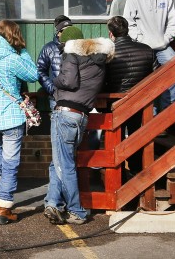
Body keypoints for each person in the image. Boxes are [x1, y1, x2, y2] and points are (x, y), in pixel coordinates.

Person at [43, 25, 110, 226]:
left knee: (66, 166)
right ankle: (53, 203)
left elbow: (69, 81)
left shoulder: (71, 55)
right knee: (59, 163)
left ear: (69, 43)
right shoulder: (99, 62)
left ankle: (77, 211)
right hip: (82, 116)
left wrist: (54, 80)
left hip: (65, 114)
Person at [0, 20, 38, 225]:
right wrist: (23, 51)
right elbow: (33, 74)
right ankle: (4, 208)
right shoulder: (13, 58)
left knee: (1, 147)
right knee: (11, 162)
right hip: (11, 115)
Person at [103, 16, 155, 175]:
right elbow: (157, 76)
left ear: (111, 34)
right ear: (127, 30)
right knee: (136, 136)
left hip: (115, 104)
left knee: (114, 138)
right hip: (140, 103)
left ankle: (116, 173)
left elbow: (103, 80)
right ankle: (136, 170)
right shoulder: (147, 49)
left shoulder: (108, 54)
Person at [123, 0, 175, 110]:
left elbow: (172, 21)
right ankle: (151, 116)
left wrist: (166, 39)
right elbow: (129, 22)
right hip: (142, 48)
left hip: (163, 46)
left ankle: (165, 111)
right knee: (147, 82)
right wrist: (140, 40)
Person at [36, 15, 74, 111]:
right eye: (64, 31)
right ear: (58, 32)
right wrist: (52, 89)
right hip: (57, 99)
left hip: (77, 98)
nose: (68, 33)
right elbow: (40, 70)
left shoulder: (78, 47)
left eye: (71, 30)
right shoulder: (49, 48)